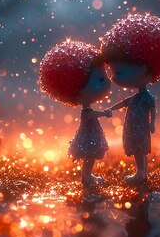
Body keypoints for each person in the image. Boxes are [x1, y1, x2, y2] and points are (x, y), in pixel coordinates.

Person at [102, 13, 160, 185]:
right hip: (133, 128)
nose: (114, 78)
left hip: (141, 128)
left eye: (118, 72)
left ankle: (142, 173)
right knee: (136, 150)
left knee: (141, 150)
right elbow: (124, 103)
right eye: (112, 72)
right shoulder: (136, 97)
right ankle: (140, 172)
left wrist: (152, 123)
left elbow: (152, 108)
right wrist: (111, 109)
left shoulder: (146, 97)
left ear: (143, 68)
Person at [38, 39, 112, 186]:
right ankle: (87, 177)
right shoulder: (86, 111)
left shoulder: (86, 108)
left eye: (105, 76)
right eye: (101, 79)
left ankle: (88, 175)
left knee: (90, 156)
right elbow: (90, 115)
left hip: (91, 133)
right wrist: (104, 113)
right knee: (89, 155)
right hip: (88, 135)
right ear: (77, 91)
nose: (107, 82)